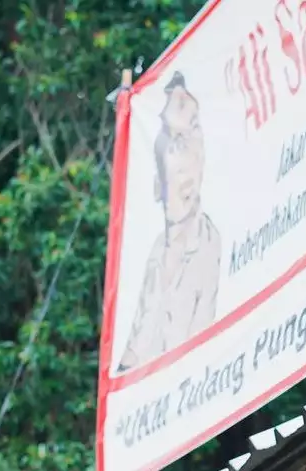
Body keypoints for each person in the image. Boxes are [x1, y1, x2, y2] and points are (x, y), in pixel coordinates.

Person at [113, 71, 222, 374]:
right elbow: (134, 350)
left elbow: (199, 361)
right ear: (157, 185)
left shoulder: (208, 246)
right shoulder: (155, 256)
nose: (185, 182)